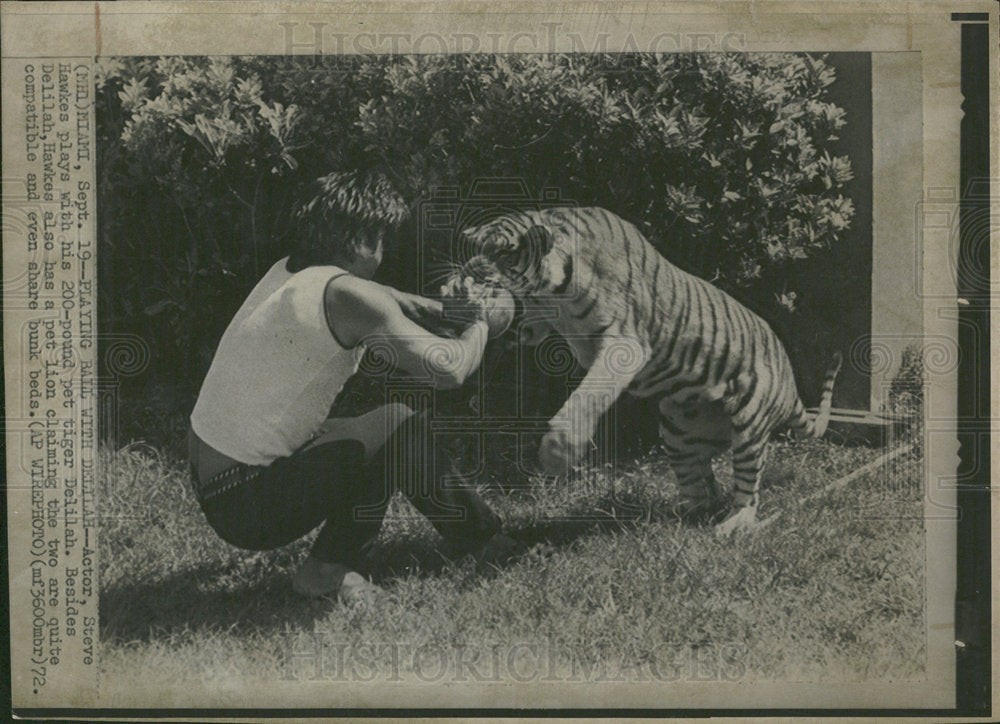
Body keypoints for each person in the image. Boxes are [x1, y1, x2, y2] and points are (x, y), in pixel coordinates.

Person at [188, 170, 514, 605]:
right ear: (358, 237)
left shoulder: (289, 272)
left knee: (373, 429)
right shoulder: (350, 298)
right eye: (381, 239)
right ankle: (330, 571)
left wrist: (440, 311)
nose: (383, 252)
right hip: (250, 506)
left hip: (219, 487)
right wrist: (477, 321)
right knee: (396, 427)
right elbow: (449, 371)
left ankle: (475, 537)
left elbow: (381, 297)